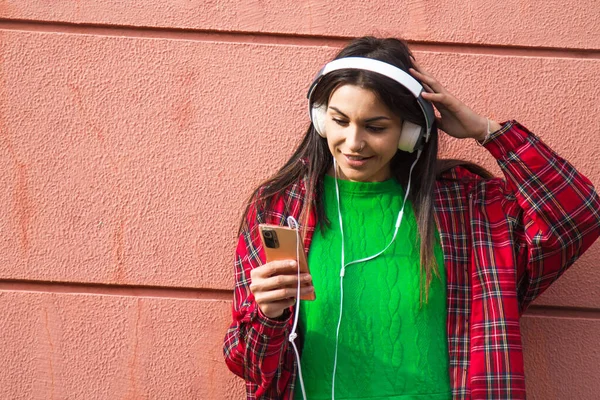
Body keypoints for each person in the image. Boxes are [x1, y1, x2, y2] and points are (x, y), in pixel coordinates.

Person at [222, 36, 600, 400]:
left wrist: (487, 131)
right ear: (319, 120)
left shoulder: (467, 206)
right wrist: (268, 316)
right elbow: (249, 367)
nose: (354, 143)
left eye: (376, 127)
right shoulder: (280, 207)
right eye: (340, 121)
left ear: (410, 132)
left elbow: (578, 213)